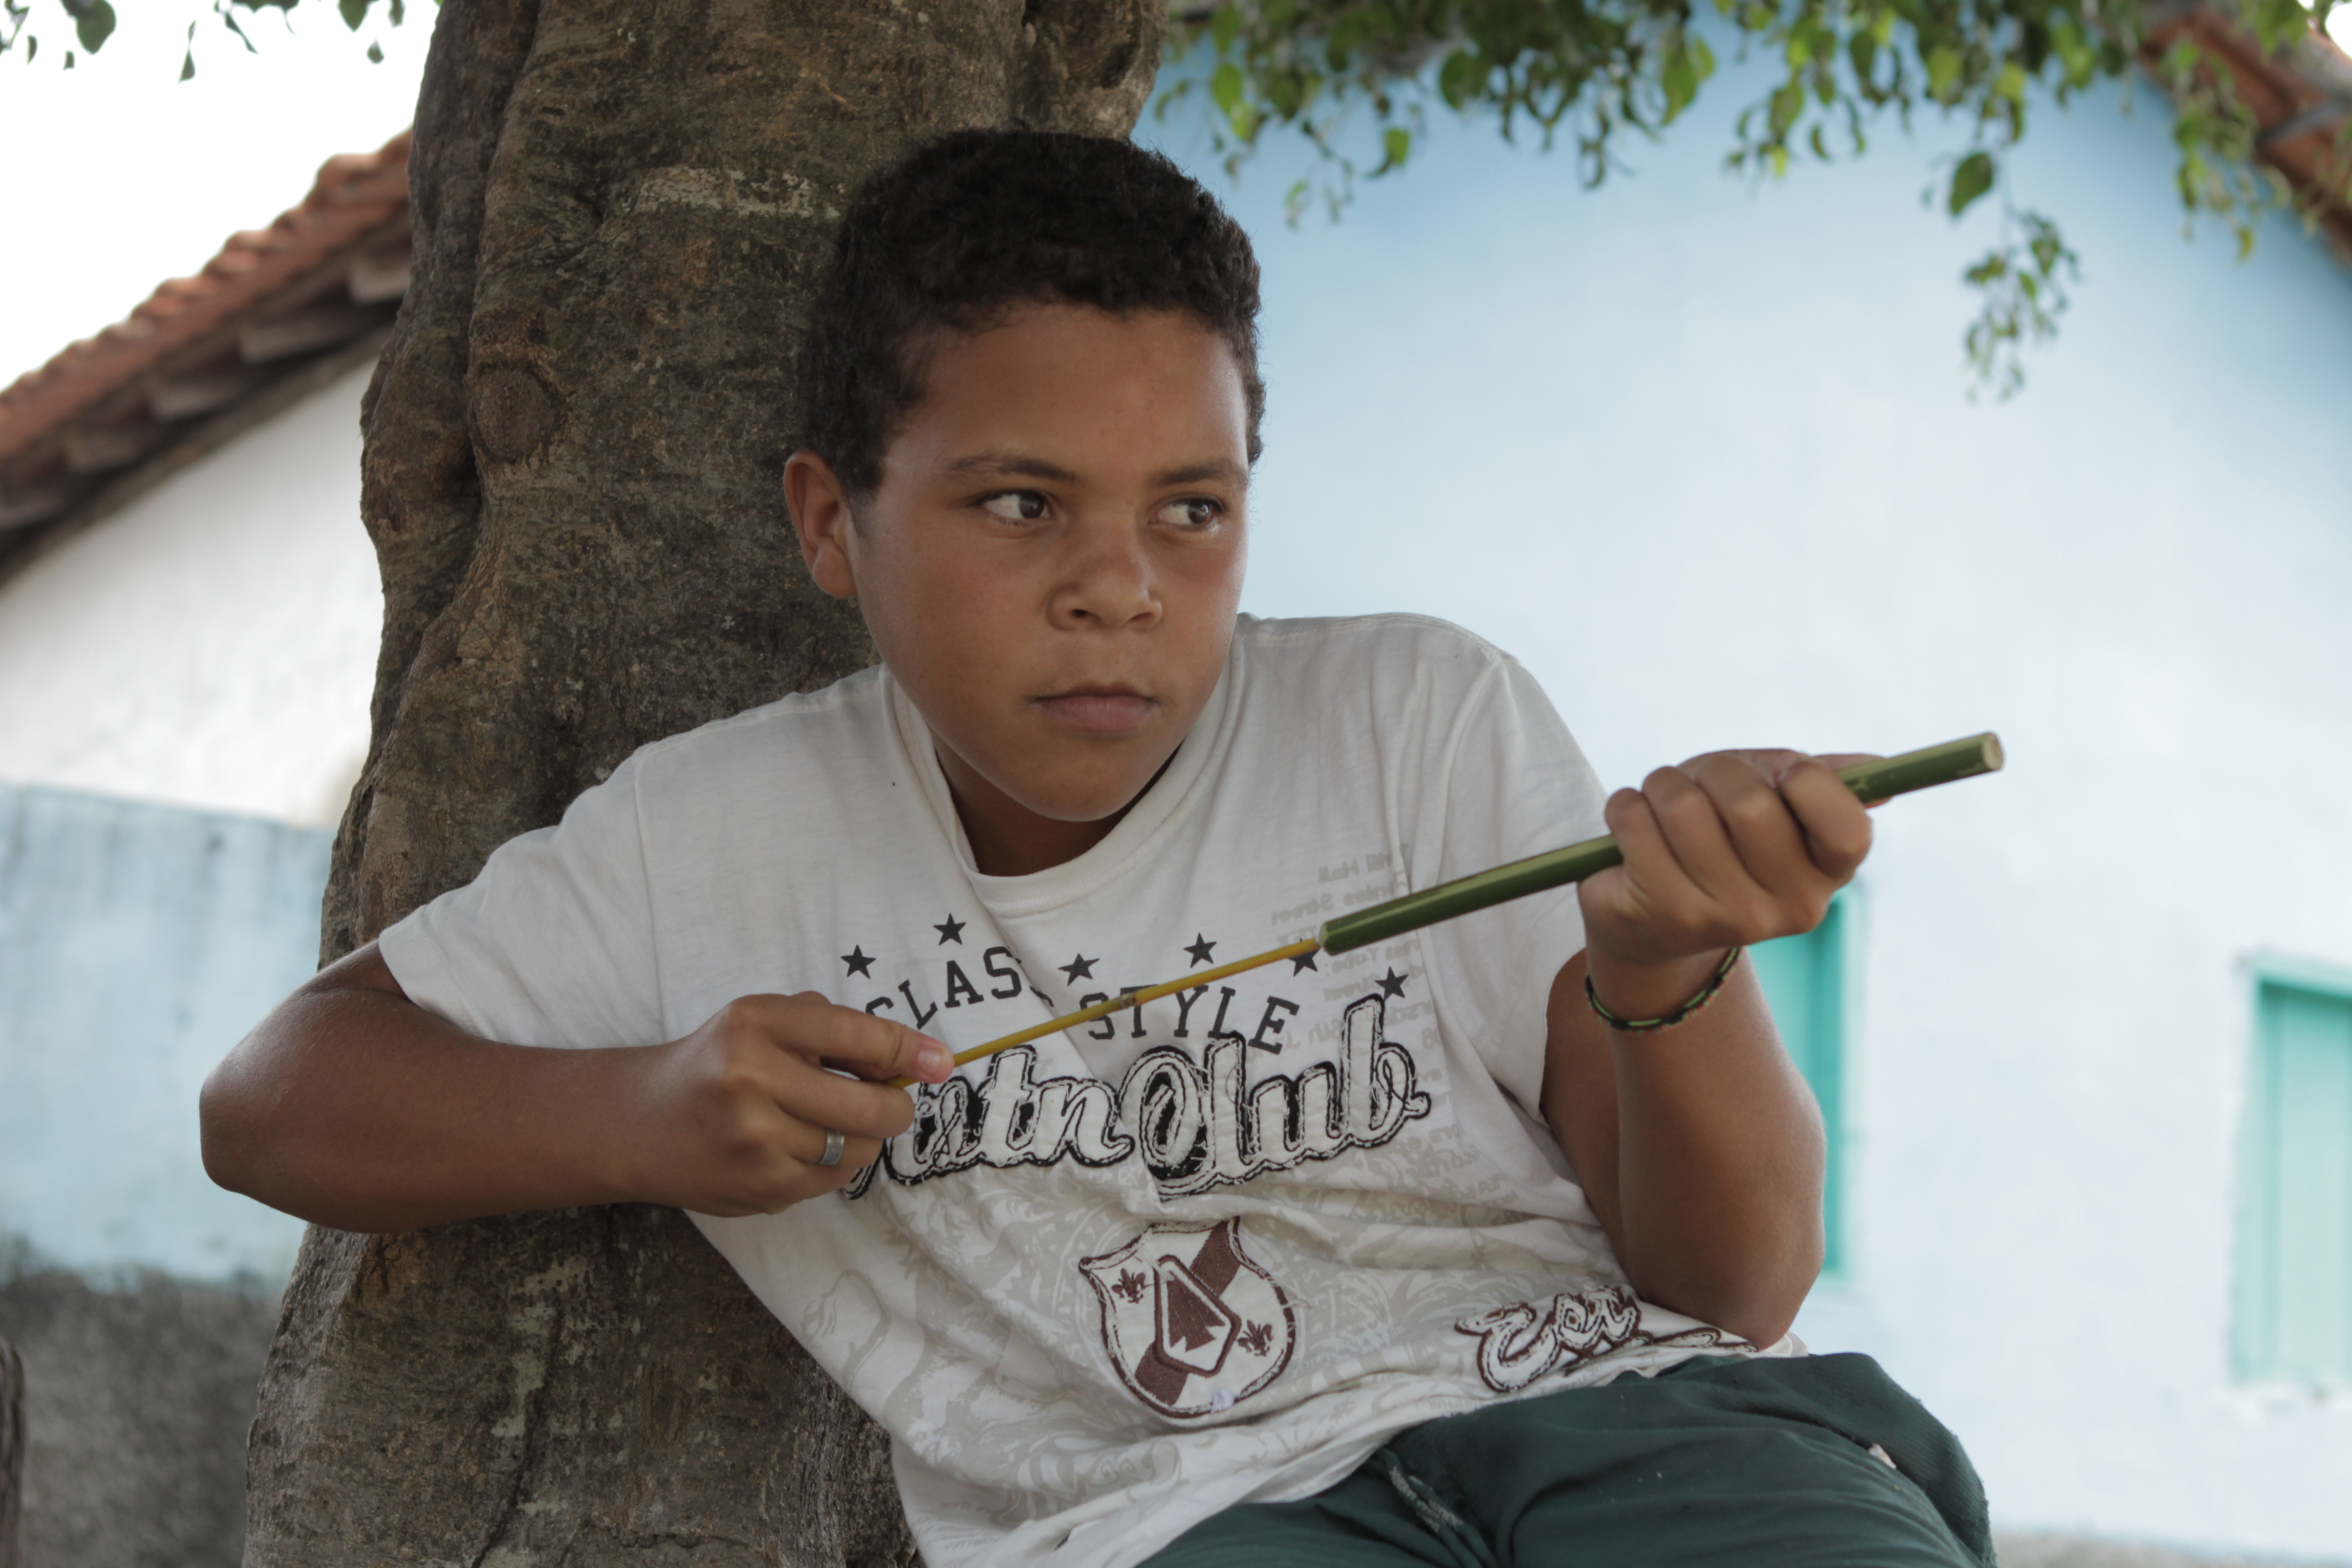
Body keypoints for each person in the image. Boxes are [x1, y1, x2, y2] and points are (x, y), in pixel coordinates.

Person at [201, 130, 1991, 1568]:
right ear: (833, 520)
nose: (1118, 585)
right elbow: (272, 1096)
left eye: (1192, 511)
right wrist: (640, 1114)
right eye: (1018, 504)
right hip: (1181, 1526)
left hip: (1648, 1441)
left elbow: (1734, 1287)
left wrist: (1669, 979)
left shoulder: (1419, 716)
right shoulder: (721, 838)